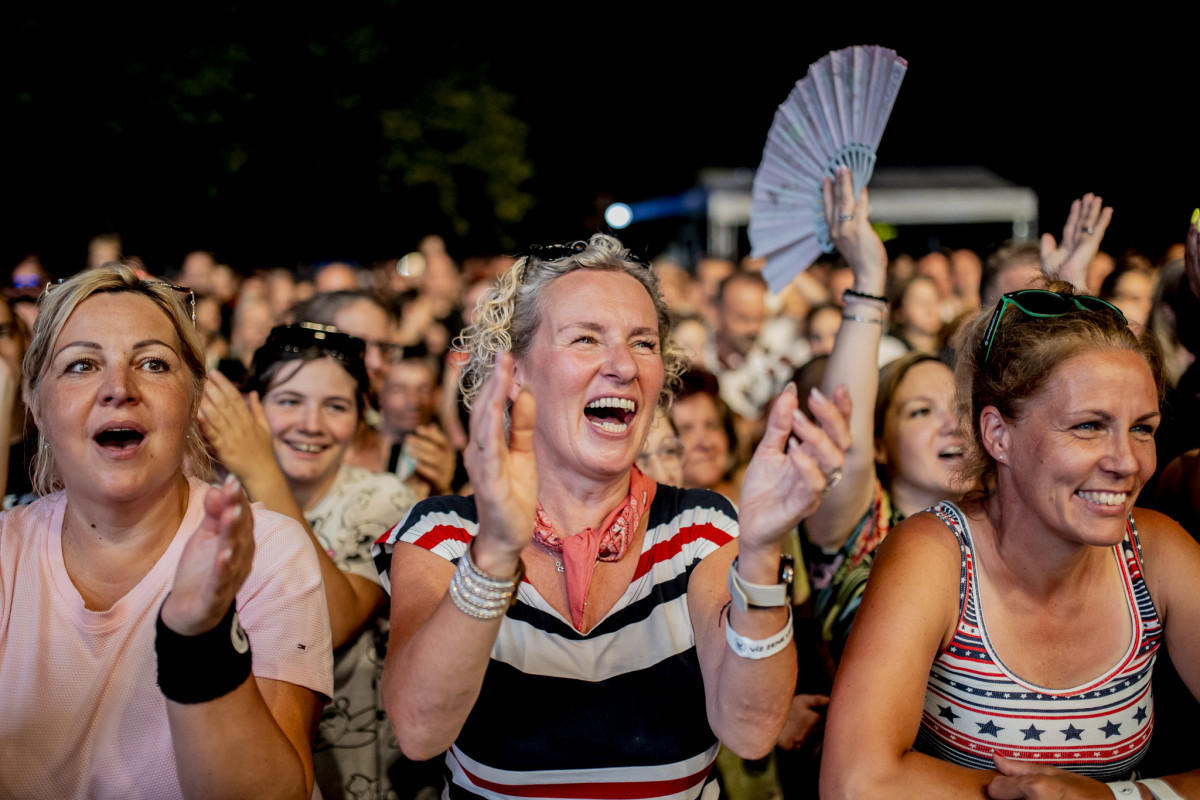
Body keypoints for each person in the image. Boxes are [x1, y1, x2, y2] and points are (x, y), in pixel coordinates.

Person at [374, 235, 851, 799]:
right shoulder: (445, 535)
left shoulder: (700, 530)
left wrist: (764, 548)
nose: (622, 365)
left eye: (643, 343)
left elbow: (750, 731)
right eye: (585, 338)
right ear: (516, 370)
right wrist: (496, 555)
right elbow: (419, 731)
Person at [821, 279, 1200, 798]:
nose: (1127, 462)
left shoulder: (1157, 552)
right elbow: (854, 782)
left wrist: (1115, 796)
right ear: (998, 434)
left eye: (1143, 428)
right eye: (1089, 426)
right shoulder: (936, 553)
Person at [0, 264, 333, 799]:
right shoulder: (4, 554)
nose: (118, 389)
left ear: (194, 398)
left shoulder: (262, 549)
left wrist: (197, 640)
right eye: (81, 365)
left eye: (153, 363)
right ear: (37, 405)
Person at [197, 322, 418, 800]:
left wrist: (260, 468)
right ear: (252, 407)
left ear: (362, 418)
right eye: (288, 401)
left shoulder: (380, 499)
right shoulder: (214, 507)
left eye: (335, 407)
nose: (311, 424)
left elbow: (333, 623)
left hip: (362, 778)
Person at [803, 169, 967, 666]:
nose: (951, 424)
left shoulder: (1009, 523)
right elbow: (844, 432)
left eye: (961, 410)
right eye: (921, 411)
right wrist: (870, 281)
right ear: (879, 442)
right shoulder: (860, 533)